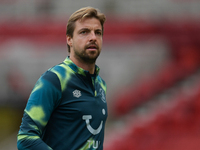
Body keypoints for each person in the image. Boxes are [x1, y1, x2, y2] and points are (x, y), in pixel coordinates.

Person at [17, 6, 107, 150]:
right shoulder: (54, 80)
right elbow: (26, 139)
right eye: (84, 32)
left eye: (98, 32)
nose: (93, 37)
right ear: (69, 40)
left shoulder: (101, 85)